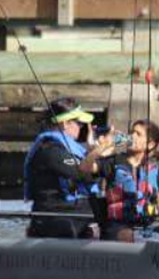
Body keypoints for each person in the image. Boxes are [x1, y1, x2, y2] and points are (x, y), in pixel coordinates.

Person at [79, 119, 159, 242]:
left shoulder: (154, 168)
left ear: (150, 145)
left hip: (146, 225)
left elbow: (158, 196)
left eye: (138, 134)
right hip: (117, 227)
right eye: (132, 132)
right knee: (129, 235)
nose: (132, 136)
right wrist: (103, 146)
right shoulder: (113, 162)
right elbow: (84, 167)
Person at [23, 97, 102, 238]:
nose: (81, 127)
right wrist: (98, 152)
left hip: (76, 211)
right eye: (79, 123)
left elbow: (100, 171)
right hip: (56, 214)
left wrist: (93, 150)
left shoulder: (72, 148)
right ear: (65, 123)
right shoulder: (50, 149)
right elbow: (80, 172)